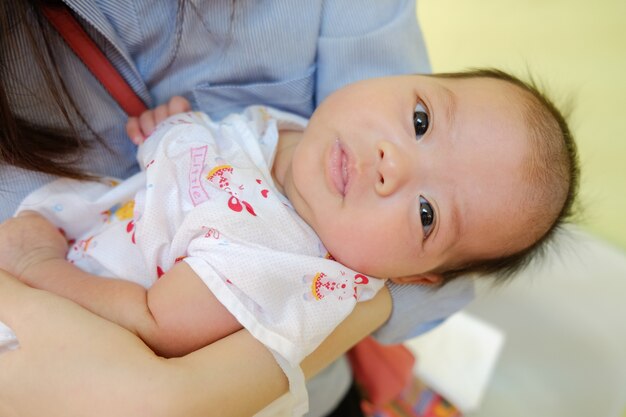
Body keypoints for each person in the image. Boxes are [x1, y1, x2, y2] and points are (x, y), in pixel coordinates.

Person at [0, 0, 519, 415]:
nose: (393, 163)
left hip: (62, 308)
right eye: (421, 122)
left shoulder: (270, 255)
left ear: (418, 274)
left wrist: (35, 267)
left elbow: (153, 321)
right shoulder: (290, 138)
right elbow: (222, 152)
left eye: (427, 212)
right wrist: (174, 137)